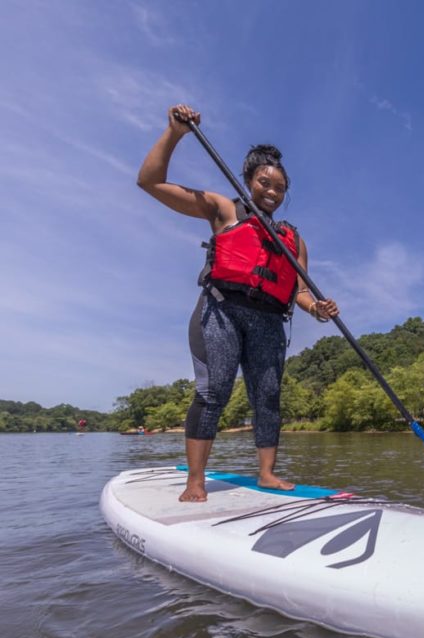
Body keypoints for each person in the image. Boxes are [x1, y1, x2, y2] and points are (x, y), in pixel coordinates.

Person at [137, 104, 339, 502]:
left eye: (280, 188)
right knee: (214, 392)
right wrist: (175, 133)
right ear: (249, 180)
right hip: (222, 312)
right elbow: (150, 182)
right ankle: (195, 480)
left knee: (267, 397)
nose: (272, 192)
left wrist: (317, 308)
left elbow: (298, 290)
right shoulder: (223, 209)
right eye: (265, 183)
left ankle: (266, 473)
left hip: (268, 321)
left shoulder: (293, 240)